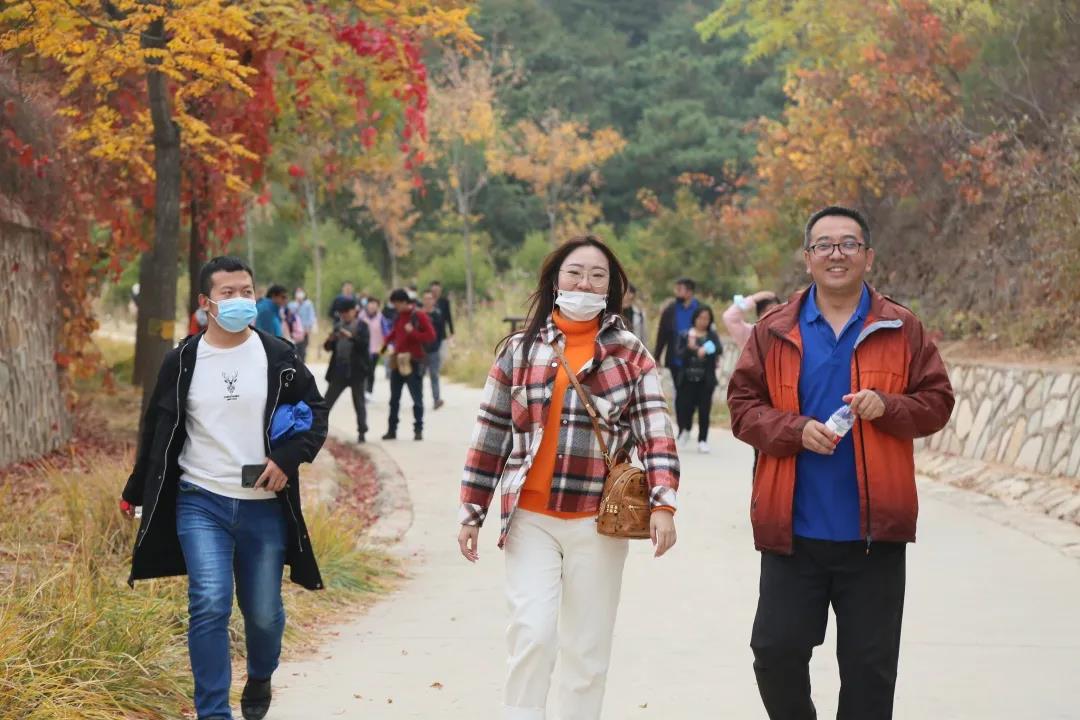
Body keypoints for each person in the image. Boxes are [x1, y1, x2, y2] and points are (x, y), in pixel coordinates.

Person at [726, 206, 955, 720]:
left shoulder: (901, 327)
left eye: (849, 244)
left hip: (874, 535)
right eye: (824, 245)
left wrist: (888, 406)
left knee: (870, 671)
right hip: (793, 529)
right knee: (775, 652)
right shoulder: (774, 329)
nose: (837, 254)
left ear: (868, 256)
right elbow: (742, 408)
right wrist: (794, 430)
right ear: (807, 257)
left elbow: (937, 403)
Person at [458, 235, 680, 720]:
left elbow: (656, 433)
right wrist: (471, 511)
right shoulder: (520, 350)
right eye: (575, 273)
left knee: (587, 649)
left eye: (598, 276)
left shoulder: (631, 354)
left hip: (598, 523)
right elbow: (490, 433)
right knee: (532, 634)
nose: (585, 283)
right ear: (555, 280)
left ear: (611, 287)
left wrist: (663, 504)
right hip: (529, 519)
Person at [120, 256, 329, 720]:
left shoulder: (279, 356)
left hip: (263, 504)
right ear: (205, 302)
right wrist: (136, 489)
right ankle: (213, 712)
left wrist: (288, 458)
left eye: (246, 291)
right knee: (210, 602)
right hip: (201, 501)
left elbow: (316, 413)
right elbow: (157, 429)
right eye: (228, 293)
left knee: (264, 614)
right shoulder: (182, 361)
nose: (239, 300)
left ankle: (260, 674)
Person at [380, 289, 436, 441]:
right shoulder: (398, 316)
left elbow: (431, 335)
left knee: (417, 398)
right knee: (394, 399)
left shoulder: (419, 315)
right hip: (398, 361)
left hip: (414, 361)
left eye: (397, 304)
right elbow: (394, 333)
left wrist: (413, 333)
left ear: (404, 302)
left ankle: (418, 430)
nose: (395, 307)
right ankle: (392, 430)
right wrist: (384, 345)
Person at [654, 278, 699, 445]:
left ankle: (688, 424)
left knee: (693, 396)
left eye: (680, 289)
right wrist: (657, 356)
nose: (677, 293)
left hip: (695, 361)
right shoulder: (670, 311)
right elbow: (662, 335)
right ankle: (682, 428)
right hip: (676, 360)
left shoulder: (700, 309)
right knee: (680, 394)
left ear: (689, 291)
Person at [675, 305, 722, 454]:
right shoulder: (686, 334)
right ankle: (685, 430)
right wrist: (692, 349)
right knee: (685, 408)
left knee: (704, 411)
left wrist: (706, 349)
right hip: (687, 379)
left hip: (705, 380)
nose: (703, 321)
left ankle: (703, 440)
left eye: (706, 318)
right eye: (700, 318)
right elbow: (678, 353)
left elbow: (719, 349)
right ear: (695, 318)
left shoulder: (711, 336)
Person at [322, 298, 370, 443]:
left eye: (347, 312)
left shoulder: (362, 326)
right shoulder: (338, 326)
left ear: (354, 311)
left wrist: (351, 337)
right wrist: (331, 340)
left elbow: (364, 345)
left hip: (356, 371)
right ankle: (318, 429)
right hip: (339, 370)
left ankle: (362, 431)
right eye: (342, 313)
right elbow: (328, 348)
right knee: (326, 402)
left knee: (359, 403)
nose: (345, 315)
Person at [421, 290, 447, 410]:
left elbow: (441, 332)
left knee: (434, 375)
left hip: (434, 350)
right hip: (421, 351)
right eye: (425, 299)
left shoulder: (438, 315)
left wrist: (437, 345)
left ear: (433, 300)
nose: (428, 301)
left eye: (430, 298)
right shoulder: (419, 315)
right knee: (419, 376)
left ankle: (436, 399)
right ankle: (418, 400)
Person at [358, 297, 386, 397]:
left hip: (376, 350)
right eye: (370, 304)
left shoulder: (381, 318)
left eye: (375, 305)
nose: (372, 307)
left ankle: (369, 391)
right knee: (363, 370)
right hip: (363, 349)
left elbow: (386, 334)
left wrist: (383, 351)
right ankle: (362, 390)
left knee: (371, 370)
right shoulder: (361, 316)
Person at [287, 287, 317, 363]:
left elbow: (311, 316)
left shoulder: (308, 304)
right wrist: (298, 304)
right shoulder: (291, 304)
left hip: (304, 330)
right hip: (294, 331)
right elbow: (289, 315)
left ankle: (302, 363)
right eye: (298, 292)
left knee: (303, 348)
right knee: (294, 347)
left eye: (301, 292)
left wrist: (309, 328)